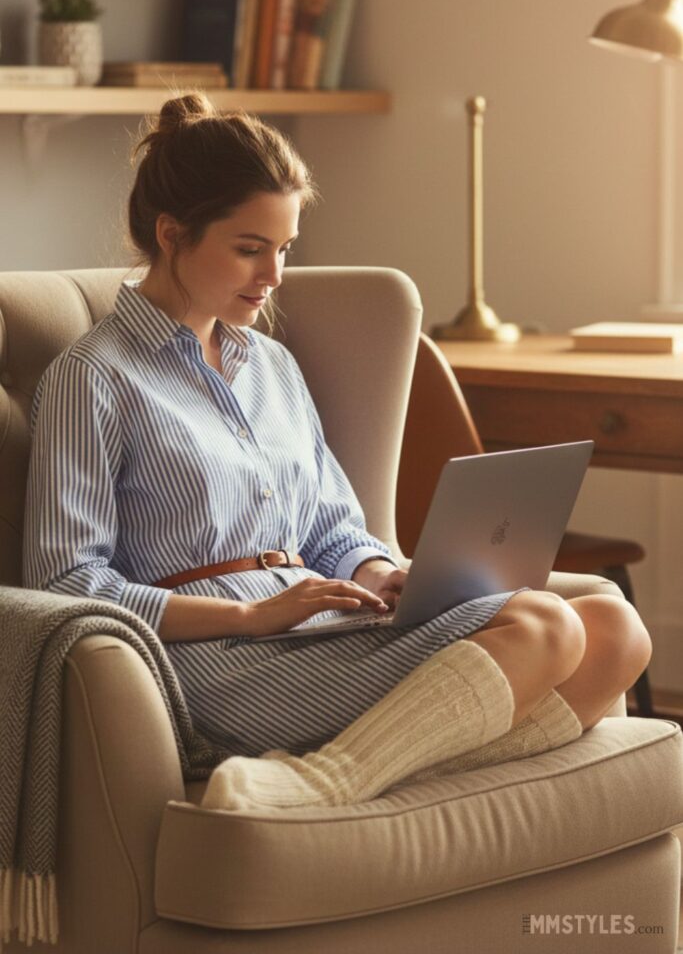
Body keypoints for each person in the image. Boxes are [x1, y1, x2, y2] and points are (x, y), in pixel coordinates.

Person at [23, 93, 652, 811]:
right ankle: (329, 785)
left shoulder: (272, 367)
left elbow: (330, 528)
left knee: (613, 630)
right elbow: (67, 584)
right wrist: (250, 617)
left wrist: (381, 572)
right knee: (544, 624)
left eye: (284, 249)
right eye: (249, 248)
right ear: (172, 233)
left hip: (325, 627)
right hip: (214, 663)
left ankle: (349, 774)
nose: (274, 277)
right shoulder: (93, 377)